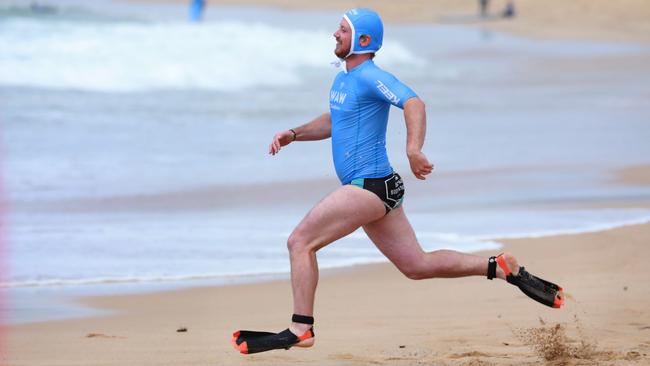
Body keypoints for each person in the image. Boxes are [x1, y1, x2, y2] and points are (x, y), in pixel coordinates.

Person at [232, 8, 563, 355]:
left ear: (362, 40)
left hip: (369, 186)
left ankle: (301, 328)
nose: (334, 34)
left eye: (342, 30)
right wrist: (294, 133)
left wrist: (414, 149)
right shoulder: (344, 78)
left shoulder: (371, 75)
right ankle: (499, 267)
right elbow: (337, 121)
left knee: (300, 242)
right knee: (417, 266)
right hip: (380, 189)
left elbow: (413, 102)